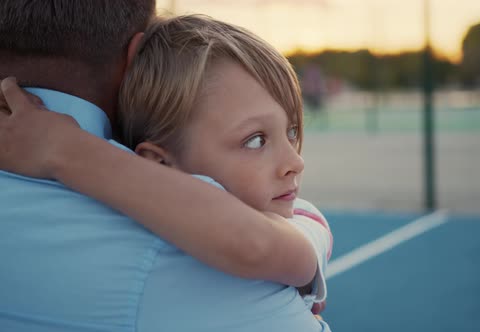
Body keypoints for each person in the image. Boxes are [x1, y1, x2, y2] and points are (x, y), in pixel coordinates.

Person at [0, 2, 330, 332]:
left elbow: (258, 241)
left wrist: (63, 148)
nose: (295, 162)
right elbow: (250, 243)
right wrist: (63, 148)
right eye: (255, 140)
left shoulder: (304, 222)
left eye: (292, 132)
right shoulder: (194, 269)